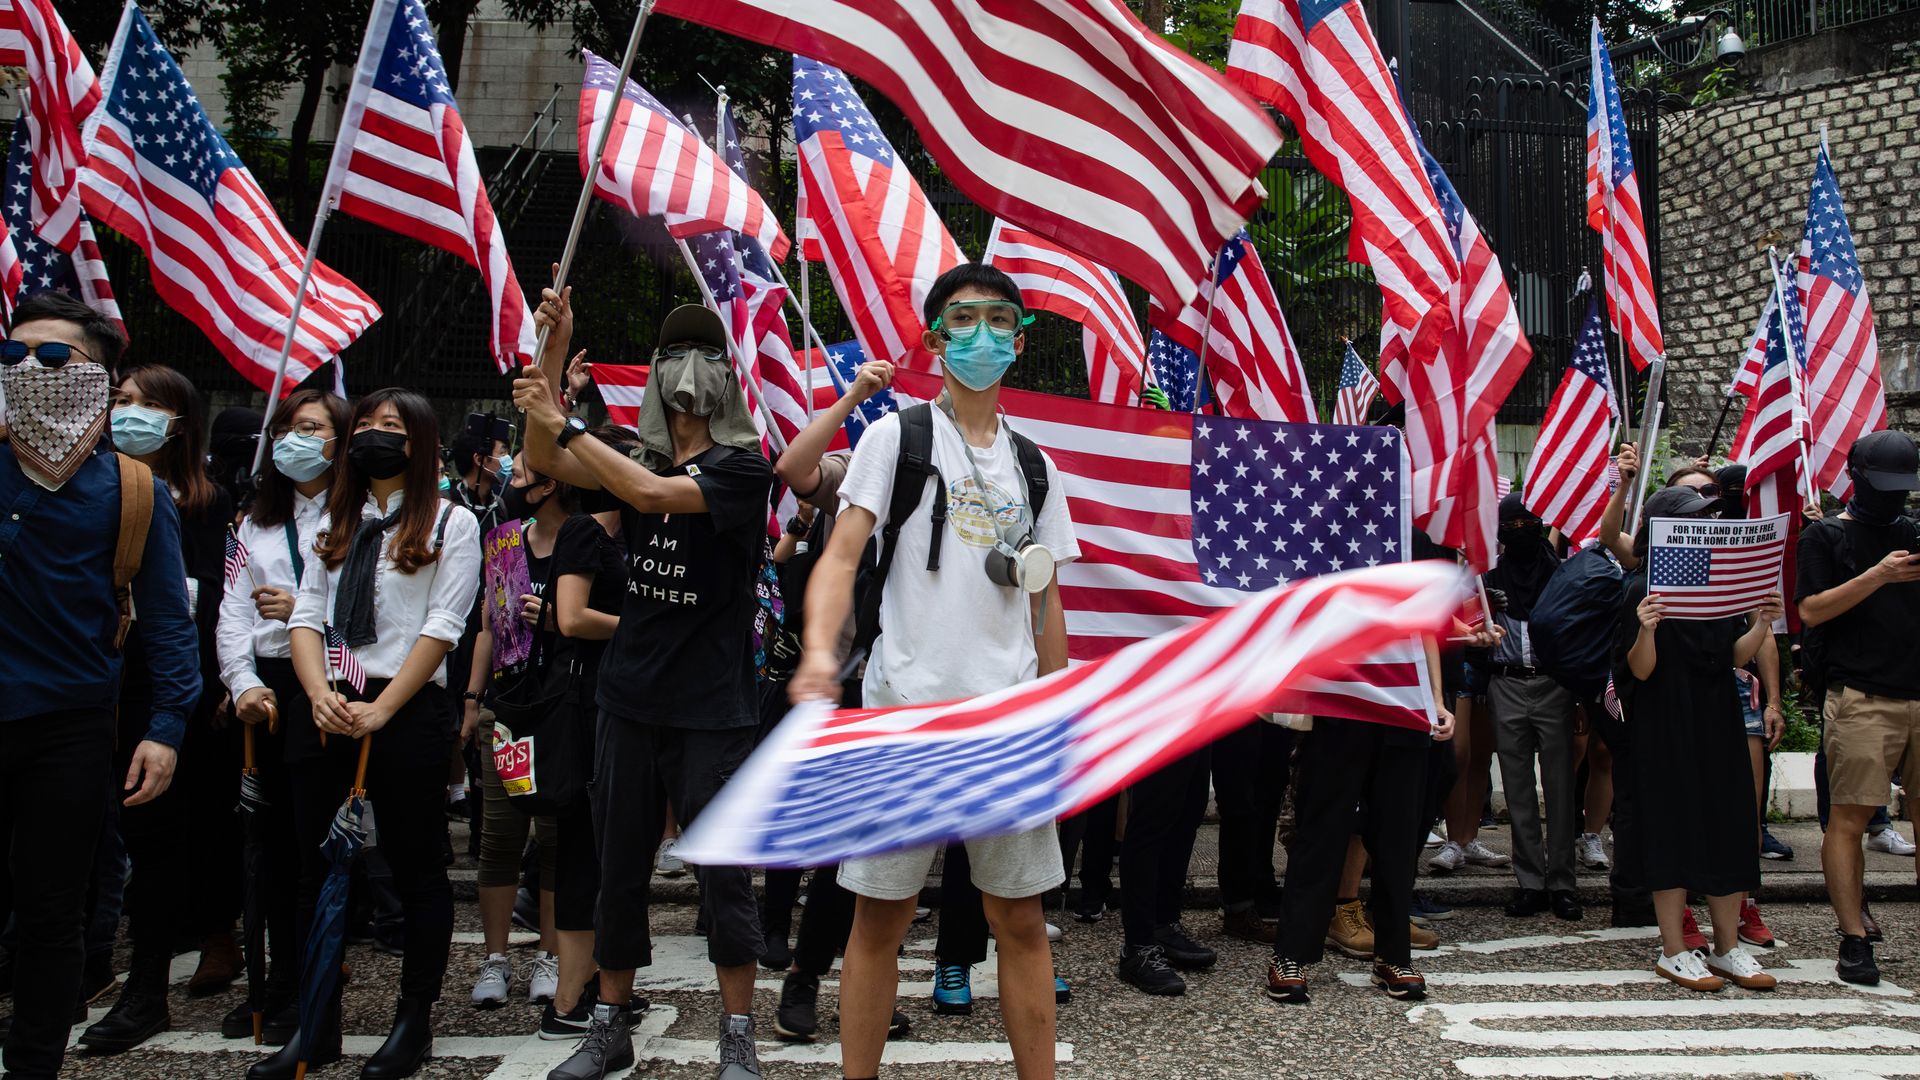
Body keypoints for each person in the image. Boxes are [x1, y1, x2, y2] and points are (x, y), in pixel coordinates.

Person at [788, 263, 1078, 1080]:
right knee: (879, 922)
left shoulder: (1036, 466)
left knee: (1020, 924)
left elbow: (1045, 597)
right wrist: (819, 652)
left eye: (998, 320)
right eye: (963, 318)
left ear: (1019, 342)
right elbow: (840, 558)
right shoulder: (896, 438)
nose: (980, 334)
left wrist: (1056, 709)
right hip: (903, 721)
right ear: (933, 337)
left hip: (1007, 728)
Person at [517, 290, 774, 1080]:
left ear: (728, 378)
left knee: (723, 874)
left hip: (712, 708)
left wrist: (565, 422)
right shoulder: (633, 453)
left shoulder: (742, 468)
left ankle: (738, 1036)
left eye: (703, 355)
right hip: (627, 699)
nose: (685, 371)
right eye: (671, 355)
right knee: (618, 864)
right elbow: (545, 459)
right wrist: (552, 358)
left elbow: (653, 497)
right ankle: (609, 1023)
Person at [254, 389, 482, 1080]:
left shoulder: (451, 521)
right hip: (326, 703)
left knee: (416, 868)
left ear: (419, 444)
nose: (376, 437)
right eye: (369, 426)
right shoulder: (335, 518)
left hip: (405, 706)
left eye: (393, 427)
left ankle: (413, 1022)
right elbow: (307, 616)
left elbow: (443, 626)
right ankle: (313, 1020)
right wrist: (320, 693)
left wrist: (384, 710)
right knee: (312, 868)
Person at [0, 293, 196, 1080]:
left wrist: (166, 728)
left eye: (53, 358)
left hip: (70, 727)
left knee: (53, 915)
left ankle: (35, 1065)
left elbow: (168, 625)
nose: (29, 371)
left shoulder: (134, 490)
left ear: (96, 377)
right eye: (13, 357)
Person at [81, 363, 239, 1054]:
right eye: (121, 401)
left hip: (170, 689)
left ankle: (155, 982)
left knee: (165, 837)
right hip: (91, 683)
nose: (129, 413)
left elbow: (204, 600)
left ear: (179, 421)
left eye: (147, 405)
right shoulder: (86, 486)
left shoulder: (202, 502)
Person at [213, 387, 349, 1045]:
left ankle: (313, 985)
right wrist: (240, 682)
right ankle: (270, 983)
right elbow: (232, 610)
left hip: (325, 682)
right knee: (263, 843)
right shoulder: (253, 523)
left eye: (315, 427)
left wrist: (301, 606)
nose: (299, 438)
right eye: (291, 427)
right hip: (264, 689)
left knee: (310, 846)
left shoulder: (357, 519)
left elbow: (369, 613)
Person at [1614, 485, 1781, 993]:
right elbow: (1638, 672)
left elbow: (1732, 656)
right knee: (1671, 824)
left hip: (1716, 713)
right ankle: (1674, 950)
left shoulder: (1717, 584)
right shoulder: (1640, 585)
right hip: (1663, 719)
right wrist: (1646, 628)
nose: (1705, 525)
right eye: (1693, 519)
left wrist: (1761, 621)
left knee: (1729, 820)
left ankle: (1728, 947)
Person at [1797, 429, 1920, 987]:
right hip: (1862, 697)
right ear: (1857, 476)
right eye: (1886, 484)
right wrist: (1878, 575)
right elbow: (1812, 611)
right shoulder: (1826, 537)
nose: (1895, 497)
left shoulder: (1914, 532)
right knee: (1848, 817)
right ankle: (1853, 937)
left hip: (1916, 690)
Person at [1267, 647, 1456, 1005]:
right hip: (1340, 696)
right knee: (1321, 831)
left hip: (1404, 701)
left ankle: (1394, 956)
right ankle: (1290, 954)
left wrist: (1435, 699)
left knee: (1398, 838)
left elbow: (1423, 628)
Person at [1480, 493, 1582, 922]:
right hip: (1505, 686)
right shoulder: (1489, 580)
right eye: (1511, 525)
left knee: (1559, 789)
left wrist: (1577, 694)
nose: (1519, 531)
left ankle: (1562, 883)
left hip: (1554, 684)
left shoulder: (1562, 576)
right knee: (1517, 790)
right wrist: (1482, 608)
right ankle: (1529, 883)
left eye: (1528, 523)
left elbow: (1579, 635)